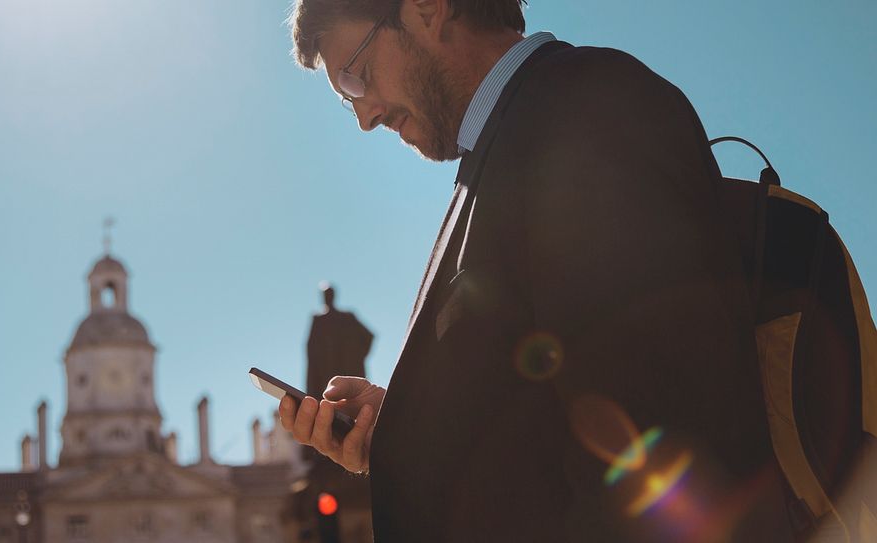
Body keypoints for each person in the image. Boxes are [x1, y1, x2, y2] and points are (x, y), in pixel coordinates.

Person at [278, 1, 795, 540]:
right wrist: (400, 433)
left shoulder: (586, 108)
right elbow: (546, 429)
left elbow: (661, 443)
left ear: (427, 10)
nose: (364, 118)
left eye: (354, 78)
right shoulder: (505, 149)